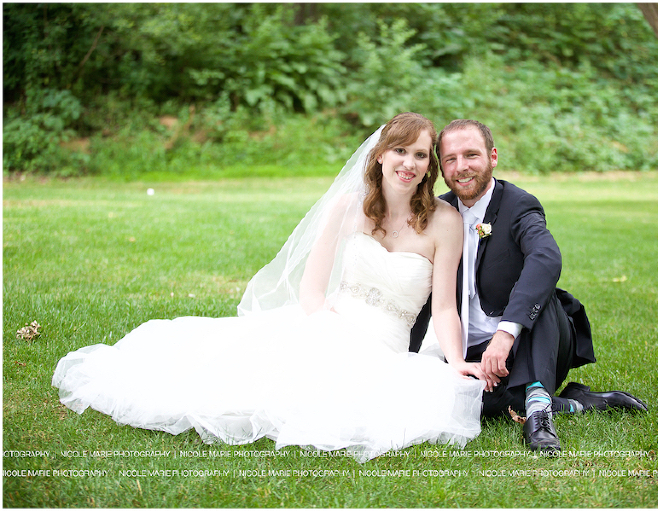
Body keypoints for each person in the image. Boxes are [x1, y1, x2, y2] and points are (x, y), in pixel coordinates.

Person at [52, 113, 489, 462]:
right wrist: (327, 332)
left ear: (430, 166)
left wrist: (454, 361)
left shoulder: (444, 223)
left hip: (386, 346)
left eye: (419, 155)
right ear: (379, 155)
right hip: (328, 327)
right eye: (399, 150)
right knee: (235, 387)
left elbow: (446, 309)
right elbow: (312, 292)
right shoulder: (347, 207)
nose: (408, 164)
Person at [410, 119, 647, 453]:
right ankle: (576, 401)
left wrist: (506, 334)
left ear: (493, 156)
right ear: (441, 168)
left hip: (533, 340)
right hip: (470, 352)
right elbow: (422, 285)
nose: (461, 167)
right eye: (450, 159)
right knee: (465, 405)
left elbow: (546, 258)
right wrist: (403, 356)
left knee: (541, 294)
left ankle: (539, 416)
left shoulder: (518, 205)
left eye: (471, 155)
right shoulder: (437, 212)